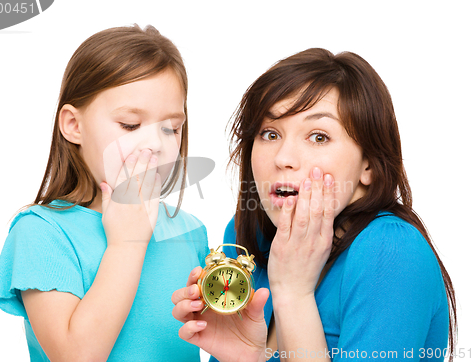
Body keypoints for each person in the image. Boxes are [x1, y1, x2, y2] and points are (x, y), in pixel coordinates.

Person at [172, 48, 456, 361]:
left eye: (318, 137)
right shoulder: (247, 235)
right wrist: (243, 358)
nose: (283, 158)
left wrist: (293, 294)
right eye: (270, 133)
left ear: (369, 165)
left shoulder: (389, 250)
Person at [0, 24, 209, 362]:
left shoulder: (191, 230)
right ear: (74, 125)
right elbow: (76, 356)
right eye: (130, 125)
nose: (155, 143)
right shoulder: (40, 232)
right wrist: (125, 245)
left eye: (171, 128)